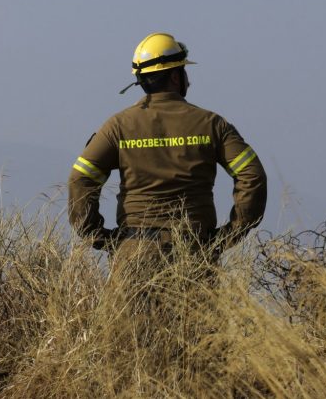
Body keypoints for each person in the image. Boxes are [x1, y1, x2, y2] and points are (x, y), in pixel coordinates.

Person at [67, 33, 267, 264]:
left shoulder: (117, 126)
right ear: (175, 77)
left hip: (135, 253)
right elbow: (252, 175)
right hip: (195, 252)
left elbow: (80, 179)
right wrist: (230, 234)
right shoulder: (212, 124)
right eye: (184, 71)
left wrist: (99, 238)